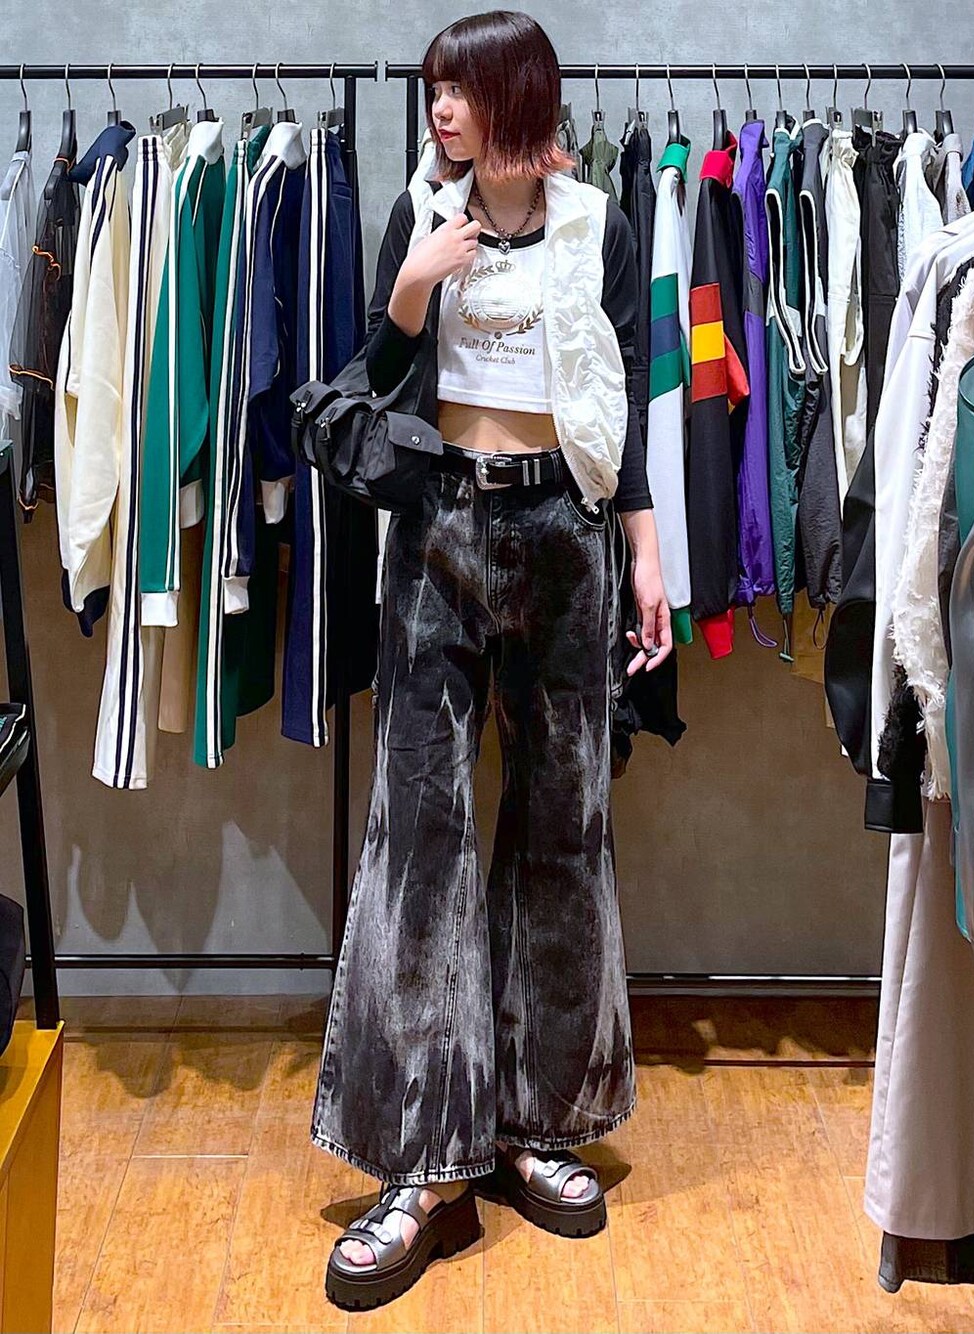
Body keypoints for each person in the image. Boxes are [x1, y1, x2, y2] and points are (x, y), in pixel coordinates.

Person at [311, 10, 671, 1311]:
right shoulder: (417, 216)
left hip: (566, 537)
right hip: (439, 536)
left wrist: (646, 550)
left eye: (459, 90)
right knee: (421, 840)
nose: (440, 110)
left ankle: (538, 1122)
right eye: (433, 91)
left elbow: (619, 400)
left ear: (518, 96)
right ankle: (421, 1160)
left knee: (563, 829)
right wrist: (414, 287)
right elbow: (369, 377)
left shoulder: (597, 224)